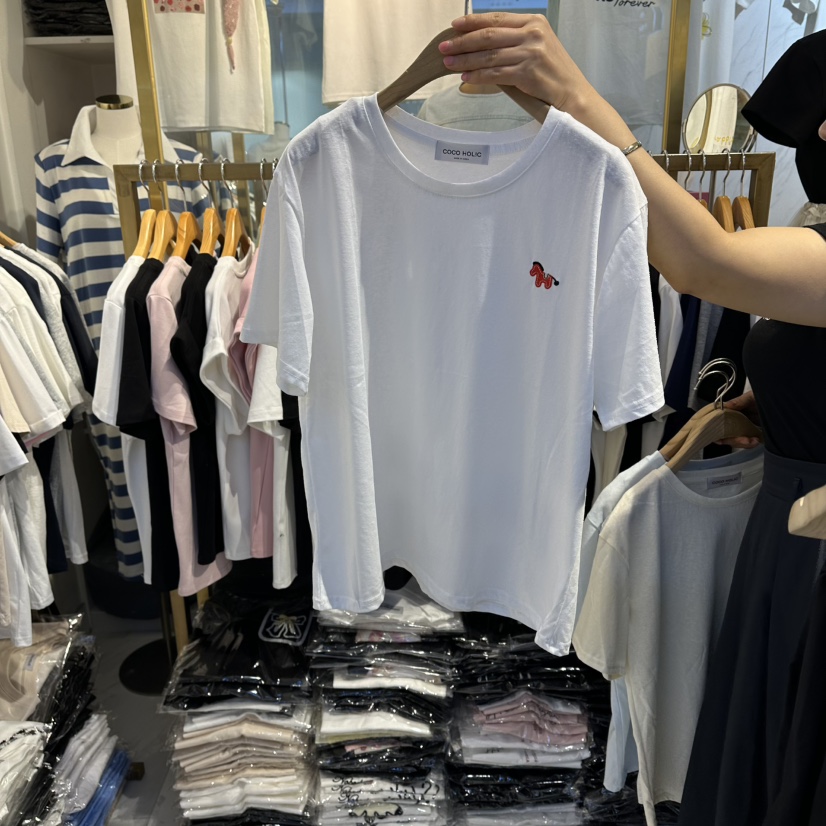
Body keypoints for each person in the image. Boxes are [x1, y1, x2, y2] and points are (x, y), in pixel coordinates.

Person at [439, 13, 826, 826]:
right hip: (781, 530)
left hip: (812, 549)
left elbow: (704, 262)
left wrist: (578, 97)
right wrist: (763, 406)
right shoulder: (815, 237)